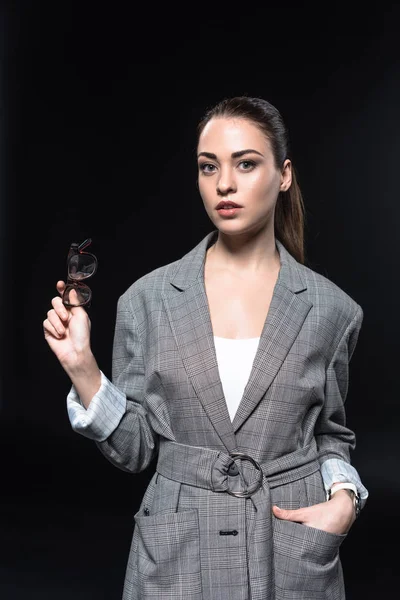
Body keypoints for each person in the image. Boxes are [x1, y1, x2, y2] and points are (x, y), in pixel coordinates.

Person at [43, 95, 368, 600]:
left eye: (246, 163)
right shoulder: (146, 302)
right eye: (208, 166)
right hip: (176, 558)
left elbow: (331, 432)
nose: (224, 184)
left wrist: (344, 499)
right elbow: (135, 451)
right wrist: (82, 368)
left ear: (283, 175)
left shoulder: (332, 311)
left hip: (289, 551)